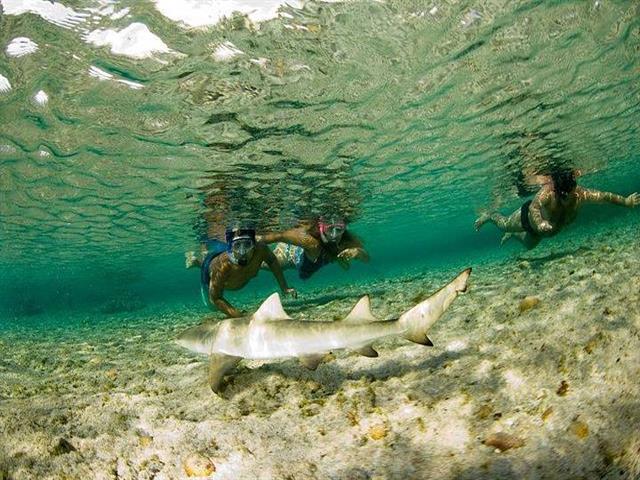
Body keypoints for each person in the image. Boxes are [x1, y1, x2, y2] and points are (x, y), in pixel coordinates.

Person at [475, 169, 640, 249]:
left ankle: (512, 235)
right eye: (563, 194)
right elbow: (534, 206)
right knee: (504, 224)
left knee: (529, 246)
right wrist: (539, 223)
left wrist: (626, 201)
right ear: (556, 190)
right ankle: (490, 215)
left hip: (541, 231)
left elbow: (605, 196)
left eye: (571, 192)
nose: (569, 196)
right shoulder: (548, 192)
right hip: (527, 220)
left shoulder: (580, 194)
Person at [199, 226, 297, 317]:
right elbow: (216, 298)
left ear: (254, 244)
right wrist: (239, 316)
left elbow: (272, 262)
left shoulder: (261, 250)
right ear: (231, 248)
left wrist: (285, 287)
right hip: (208, 269)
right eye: (237, 246)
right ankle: (197, 262)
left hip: (234, 275)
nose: (242, 252)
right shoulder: (222, 266)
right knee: (212, 307)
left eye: (247, 244)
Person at [258, 216, 369, 280]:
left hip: (310, 266)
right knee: (264, 264)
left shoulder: (346, 241)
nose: (334, 235)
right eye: (330, 229)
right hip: (289, 255)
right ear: (321, 228)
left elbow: (367, 258)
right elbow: (279, 236)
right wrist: (251, 239)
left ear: (344, 229)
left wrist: (357, 252)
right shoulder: (311, 242)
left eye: (339, 229)